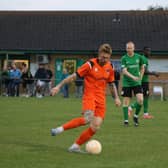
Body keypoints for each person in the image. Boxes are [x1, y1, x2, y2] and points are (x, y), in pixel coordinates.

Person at [50, 44, 121, 153]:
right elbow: (73, 77)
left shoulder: (110, 67)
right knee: (87, 119)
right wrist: (58, 86)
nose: (104, 59)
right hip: (90, 96)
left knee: (95, 126)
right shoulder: (90, 64)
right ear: (99, 55)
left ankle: (75, 146)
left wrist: (116, 98)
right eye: (102, 57)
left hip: (101, 99)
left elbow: (111, 84)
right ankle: (59, 129)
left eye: (107, 58)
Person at [128, 47, 159, 119]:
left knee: (145, 97)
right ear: (144, 51)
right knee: (143, 97)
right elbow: (144, 71)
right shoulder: (144, 59)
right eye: (148, 51)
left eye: (150, 51)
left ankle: (145, 114)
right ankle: (131, 108)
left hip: (141, 81)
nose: (149, 52)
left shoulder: (142, 58)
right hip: (143, 81)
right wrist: (154, 73)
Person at [121, 41, 145, 126]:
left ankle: (135, 116)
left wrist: (140, 78)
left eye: (130, 48)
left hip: (136, 83)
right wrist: (133, 77)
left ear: (134, 48)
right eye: (127, 48)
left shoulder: (139, 57)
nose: (129, 49)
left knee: (140, 100)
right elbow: (124, 71)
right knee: (126, 102)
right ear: (126, 49)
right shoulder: (124, 58)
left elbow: (142, 68)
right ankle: (126, 121)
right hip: (127, 83)